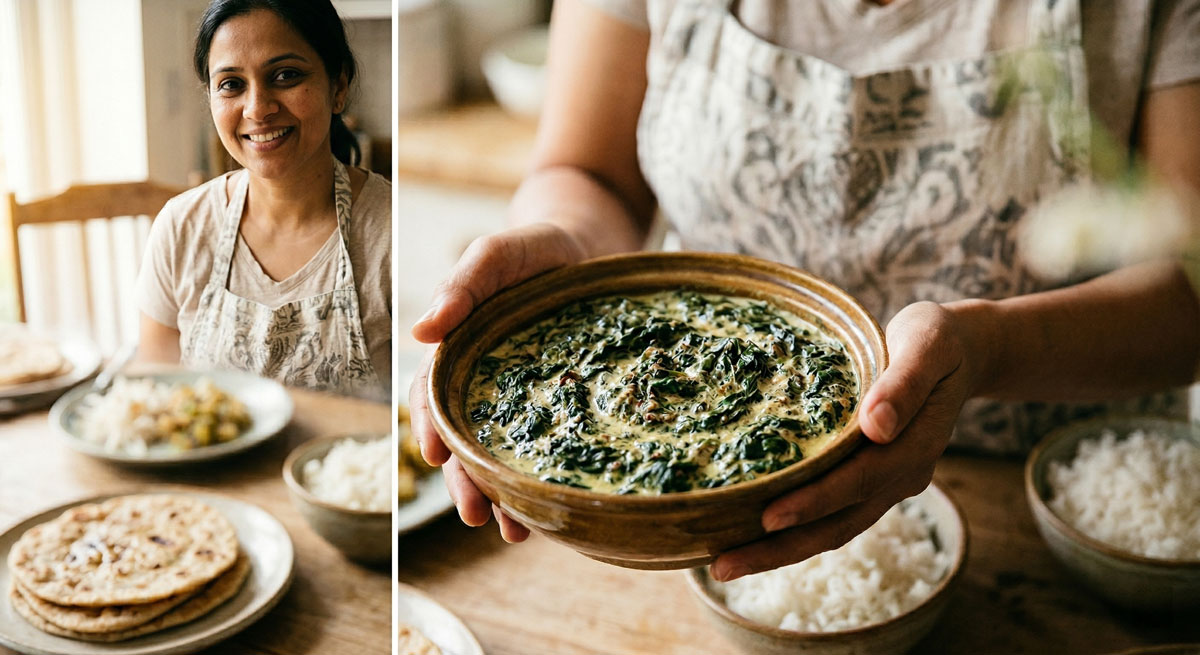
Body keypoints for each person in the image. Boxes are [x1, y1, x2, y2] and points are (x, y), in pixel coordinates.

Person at [409, 0, 1200, 581]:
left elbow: (1189, 294)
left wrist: (988, 348)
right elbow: (589, 172)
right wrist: (566, 246)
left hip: (1074, 522)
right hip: (703, 518)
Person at [137, 0, 391, 401]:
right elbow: (156, 397)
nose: (258, 109)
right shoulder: (181, 227)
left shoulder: (392, 233)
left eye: (285, 75)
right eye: (231, 84)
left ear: (338, 87)